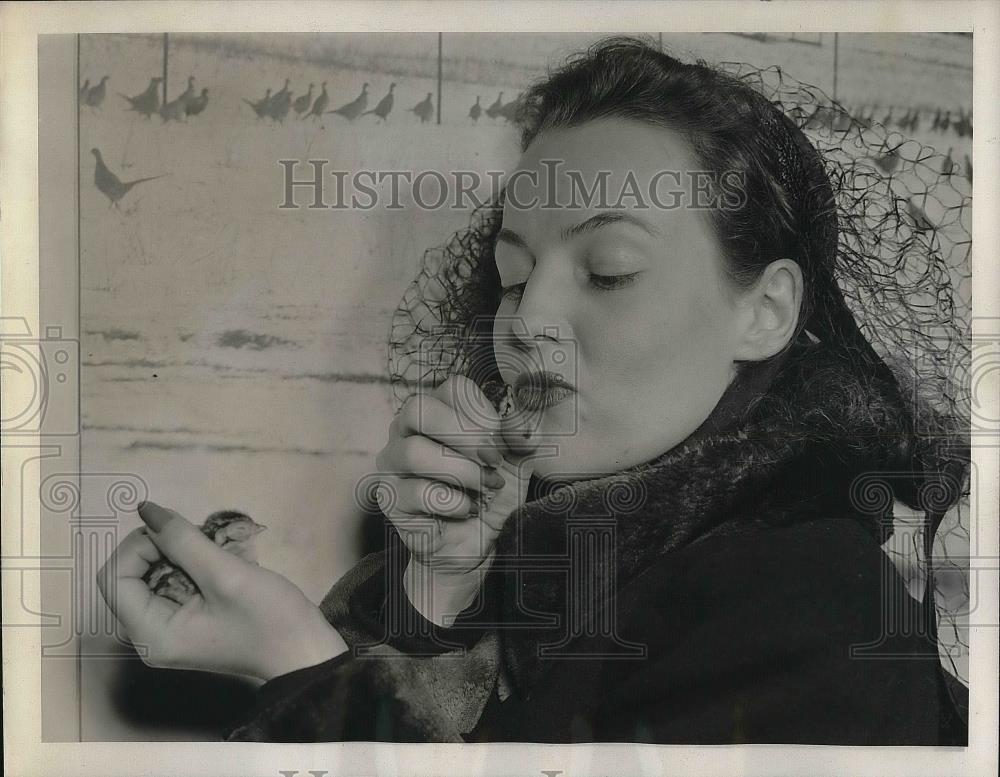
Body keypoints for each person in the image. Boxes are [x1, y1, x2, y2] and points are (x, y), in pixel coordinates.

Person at [97, 36, 971, 744]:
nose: (526, 318)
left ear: (766, 310)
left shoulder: (810, 600)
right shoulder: (596, 565)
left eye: (608, 270)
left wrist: (297, 668)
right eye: (515, 276)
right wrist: (444, 597)